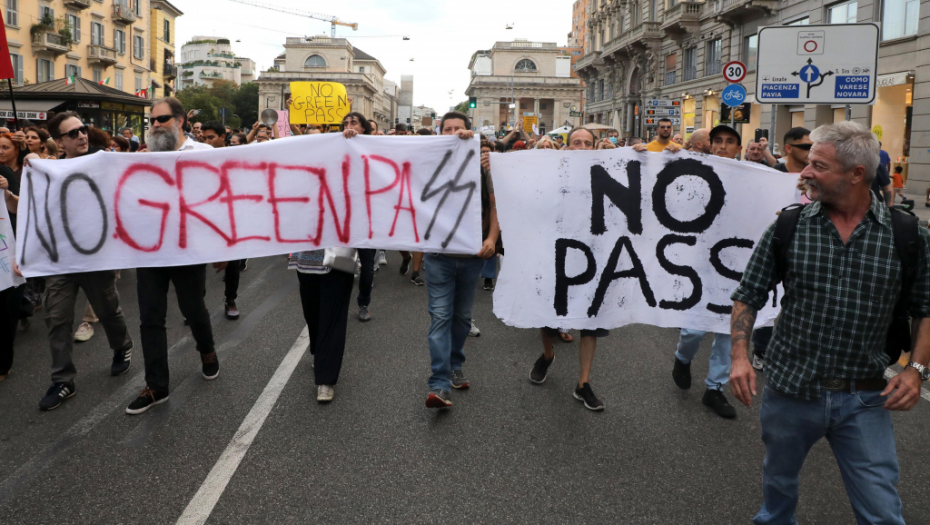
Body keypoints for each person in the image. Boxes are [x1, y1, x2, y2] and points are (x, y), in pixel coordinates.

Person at [730, 121, 930, 525]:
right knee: (779, 489)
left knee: (882, 513)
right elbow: (748, 294)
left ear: (857, 174)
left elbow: (925, 308)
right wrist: (739, 356)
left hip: (865, 397)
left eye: (818, 166)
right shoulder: (790, 226)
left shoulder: (906, 234)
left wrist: (917, 371)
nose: (804, 172)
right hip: (790, 391)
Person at [126, 98, 222, 415]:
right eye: (151, 120)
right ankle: (157, 386)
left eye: (162, 119)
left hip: (188, 248)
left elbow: (221, 200)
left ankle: (206, 350)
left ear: (180, 121)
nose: (155, 125)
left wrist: (224, 248)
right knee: (150, 316)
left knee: (192, 308)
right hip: (150, 250)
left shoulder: (206, 155)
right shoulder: (141, 158)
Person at [35, 113, 134, 411]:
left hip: (96, 257)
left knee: (106, 308)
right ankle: (63, 380)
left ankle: (122, 346)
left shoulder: (104, 164)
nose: (82, 135)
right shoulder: (44, 172)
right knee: (57, 318)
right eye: (73, 132)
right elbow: (28, 210)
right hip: (61, 260)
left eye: (83, 130)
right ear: (59, 142)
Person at [286, 115, 371, 401]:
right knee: (312, 312)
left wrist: (355, 146)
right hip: (306, 253)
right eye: (345, 121)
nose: (349, 125)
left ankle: (326, 378)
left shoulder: (359, 162)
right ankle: (319, 350)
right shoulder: (309, 166)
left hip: (339, 253)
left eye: (355, 122)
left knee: (333, 317)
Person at [527, 127, 610, 411]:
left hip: (595, 259)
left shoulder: (607, 171)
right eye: (577, 142)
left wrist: (651, 157)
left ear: (595, 147)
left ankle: (583, 383)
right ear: (567, 147)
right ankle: (548, 354)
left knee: (591, 323)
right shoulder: (553, 172)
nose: (582, 147)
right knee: (548, 315)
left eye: (588, 143)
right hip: (556, 256)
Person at [666, 125, 743, 419]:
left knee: (726, 331)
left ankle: (715, 389)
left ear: (738, 147)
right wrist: (669, 156)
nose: (723, 146)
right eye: (718, 141)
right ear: (709, 145)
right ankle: (682, 358)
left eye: (729, 142)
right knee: (694, 329)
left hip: (735, 265)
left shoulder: (751, 175)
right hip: (698, 262)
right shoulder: (695, 169)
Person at [424, 111, 499, 409]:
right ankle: (440, 384)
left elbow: (496, 206)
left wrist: (491, 239)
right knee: (441, 316)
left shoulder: (482, 166)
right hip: (438, 255)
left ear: (470, 132)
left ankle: (456, 364)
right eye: (447, 129)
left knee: (462, 317)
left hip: (472, 255)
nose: (453, 132)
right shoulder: (427, 162)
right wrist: (351, 138)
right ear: (438, 133)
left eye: (459, 128)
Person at [751, 127, 812, 372]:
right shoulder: (774, 174)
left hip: (807, 251)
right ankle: (761, 349)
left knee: (800, 302)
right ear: (789, 148)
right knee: (769, 299)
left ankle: (798, 352)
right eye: (806, 147)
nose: (810, 151)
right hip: (775, 247)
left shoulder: (816, 175)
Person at [200, 121, 244, 321]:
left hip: (231, 218)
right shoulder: (197, 154)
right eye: (204, 137)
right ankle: (196, 304)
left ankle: (230, 300)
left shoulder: (237, 155)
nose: (206, 141)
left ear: (222, 137)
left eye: (211, 137)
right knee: (197, 263)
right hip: (203, 218)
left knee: (233, 264)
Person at [0, 159, 23, 382]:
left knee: (5, 310)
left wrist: (6, 193)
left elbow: (21, 208)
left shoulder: (3, 173)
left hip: (4, 253)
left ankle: (2, 364)